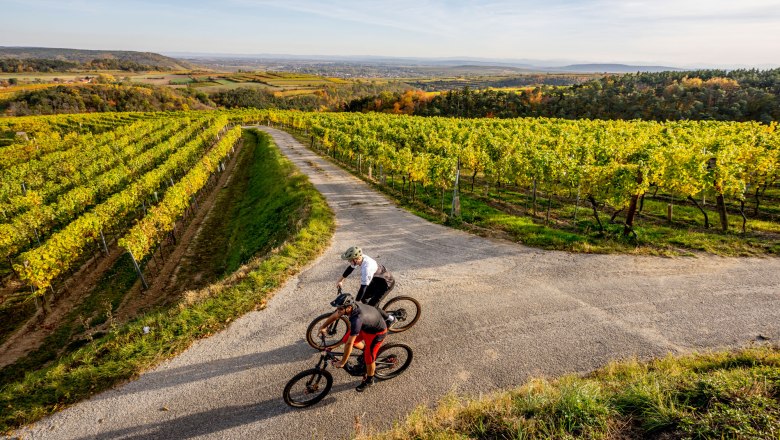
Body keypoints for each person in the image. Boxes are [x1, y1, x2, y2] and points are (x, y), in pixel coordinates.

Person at [320, 292, 389, 392]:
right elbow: (335, 315)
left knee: (369, 358)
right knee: (345, 339)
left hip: (377, 333)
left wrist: (342, 362)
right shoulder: (350, 308)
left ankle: (370, 380)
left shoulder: (357, 319)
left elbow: (349, 344)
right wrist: (323, 327)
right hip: (366, 327)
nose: (338, 311)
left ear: (348, 307)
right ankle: (365, 351)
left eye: (340, 308)